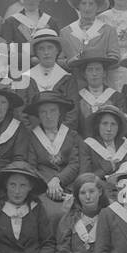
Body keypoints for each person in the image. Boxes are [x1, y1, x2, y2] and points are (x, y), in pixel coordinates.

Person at [24, 90, 79, 222]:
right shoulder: (31, 137)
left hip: (69, 184)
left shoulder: (72, 135)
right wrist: (48, 183)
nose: (48, 116)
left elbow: (74, 163)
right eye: (43, 112)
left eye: (53, 110)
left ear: (60, 112)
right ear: (38, 115)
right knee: (50, 214)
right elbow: (31, 167)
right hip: (43, 187)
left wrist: (58, 179)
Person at [59, 0, 119, 65]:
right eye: (83, 3)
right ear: (78, 6)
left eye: (91, 4)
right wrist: (69, 62)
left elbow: (114, 59)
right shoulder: (65, 32)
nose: (87, 8)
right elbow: (59, 60)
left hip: (99, 76)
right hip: (74, 76)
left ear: (97, 6)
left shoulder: (108, 31)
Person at [15, 30, 73, 111]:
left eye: (50, 48)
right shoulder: (25, 78)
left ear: (57, 50)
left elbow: (72, 109)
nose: (46, 52)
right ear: (36, 53)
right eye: (41, 49)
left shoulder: (68, 78)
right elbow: (20, 109)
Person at [66, 51, 122, 134]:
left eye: (98, 69)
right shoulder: (78, 98)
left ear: (104, 73)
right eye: (90, 70)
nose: (94, 74)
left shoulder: (116, 97)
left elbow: (121, 124)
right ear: (84, 74)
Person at [77, 103, 127, 184]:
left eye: (113, 124)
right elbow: (84, 179)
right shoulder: (87, 145)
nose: (109, 129)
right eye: (104, 124)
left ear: (119, 127)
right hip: (98, 190)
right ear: (97, 126)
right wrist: (103, 170)